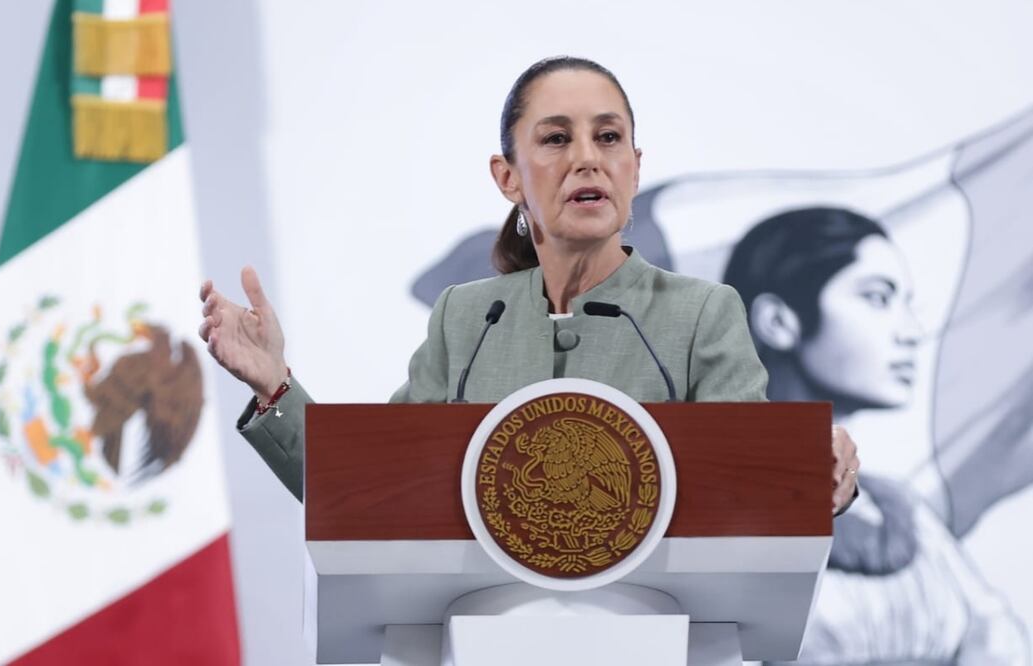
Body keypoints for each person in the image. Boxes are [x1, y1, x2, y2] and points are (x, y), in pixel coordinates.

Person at [197, 57, 860, 515]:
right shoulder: (466, 319)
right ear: (507, 177)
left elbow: (751, 488)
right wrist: (274, 384)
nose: (587, 158)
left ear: (634, 168)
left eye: (608, 137)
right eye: (556, 139)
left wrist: (818, 481)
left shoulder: (702, 313)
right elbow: (369, 489)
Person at [724, 207, 1029, 665]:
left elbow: (996, 639)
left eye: (908, 304)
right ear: (779, 322)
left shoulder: (903, 513)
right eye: (877, 298)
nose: (912, 332)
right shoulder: (700, 504)